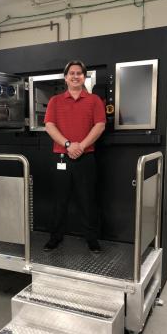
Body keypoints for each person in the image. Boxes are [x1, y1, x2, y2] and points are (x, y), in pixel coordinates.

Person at [44, 60, 106, 253]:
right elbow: (49, 126)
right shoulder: (55, 101)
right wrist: (69, 145)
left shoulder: (94, 100)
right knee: (59, 200)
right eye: (71, 73)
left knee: (87, 200)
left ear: (84, 77)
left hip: (86, 157)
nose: (75, 76)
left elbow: (100, 125)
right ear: (66, 77)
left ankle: (91, 239)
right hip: (61, 156)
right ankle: (55, 237)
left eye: (79, 73)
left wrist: (81, 146)